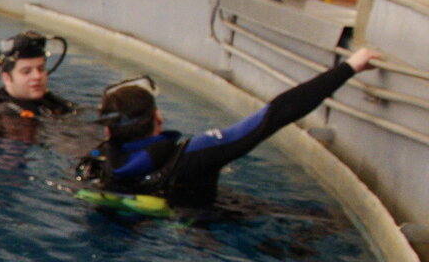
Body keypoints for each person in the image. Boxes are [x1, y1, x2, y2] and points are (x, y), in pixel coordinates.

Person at [77, 47, 382, 209]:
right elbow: (274, 115)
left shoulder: (101, 160)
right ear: (159, 120)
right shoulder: (192, 155)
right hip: (212, 226)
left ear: (107, 131)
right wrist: (350, 66)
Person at [0, 30, 76, 119]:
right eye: (26, 71)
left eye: (41, 69)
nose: (37, 76)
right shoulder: (7, 116)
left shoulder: (50, 101)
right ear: (7, 78)